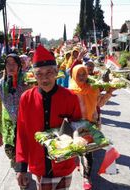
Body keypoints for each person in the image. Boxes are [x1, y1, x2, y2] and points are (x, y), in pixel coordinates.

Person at [15, 45, 82, 190]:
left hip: (64, 164)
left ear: (56, 72)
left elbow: (79, 129)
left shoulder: (70, 97)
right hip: (39, 165)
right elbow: (22, 134)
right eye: (39, 73)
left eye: (49, 72)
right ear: (34, 75)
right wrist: (21, 167)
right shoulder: (26, 98)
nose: (45, 77)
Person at [69, 64, 116, 190]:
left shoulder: (93, 89)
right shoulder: (70, 91)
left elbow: (99, 104)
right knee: (77, 149)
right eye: (78, 74)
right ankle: (78, 162)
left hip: (91, 125)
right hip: (75, 126)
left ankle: (86, 178)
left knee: (89, 152)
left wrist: (109, 93)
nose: (81, 76)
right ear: (73, 75)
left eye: (84, 73)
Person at [0, 54, 28, 172]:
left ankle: (22, 176)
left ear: (19, 66)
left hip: (25, 125)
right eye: (8, 63)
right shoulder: (0, 86)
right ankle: (19, 169)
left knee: (24, 153)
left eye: (14, 63)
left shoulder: (26, 83)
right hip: (9, 126)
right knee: (10, 152)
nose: (11, 66)